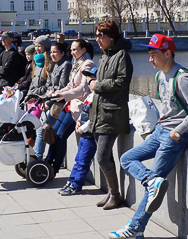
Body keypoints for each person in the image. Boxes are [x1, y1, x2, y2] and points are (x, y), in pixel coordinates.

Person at [108, 34, 188, 239]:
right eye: (149, 55)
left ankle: (136, 228)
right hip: (160, 131)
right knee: (127, 159)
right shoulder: (160, 76)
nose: (150, 59)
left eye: (154, 55)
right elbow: (168, 107)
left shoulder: (183, 77)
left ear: (168, 53)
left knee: (154, 187)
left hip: (175, 136)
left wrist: (178, 130)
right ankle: (151, 181)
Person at [88, 20, 133, 210]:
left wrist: (97, 85)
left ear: (111, 38)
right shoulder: (105, 55)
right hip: (100, 111)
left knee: (101, 156)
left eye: (101, 35)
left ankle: (115, 194)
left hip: (112, 113)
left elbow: (123, 81)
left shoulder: (122, 55)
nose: (97, 39)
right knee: (106, 156)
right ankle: (111, 193)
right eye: (96, 34)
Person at [47, 39, 95, 179]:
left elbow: (83, 89)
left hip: (78, 107)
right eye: (72, 50)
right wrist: (57, 93)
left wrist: (63, 95)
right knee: (54, 132)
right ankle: (48, 161)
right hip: (69, 104)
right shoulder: (76, 64)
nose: (72, 52)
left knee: (61, 135)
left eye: (75, 50)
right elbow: (70, 85)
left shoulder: (88, 64)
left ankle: (55, 168)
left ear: (84, 50)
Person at [32, 42, 72, 159]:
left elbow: (62, 86)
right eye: (51, 52)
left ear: (62, 53)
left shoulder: (66, 65)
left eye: (55, 52)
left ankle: (37, 157)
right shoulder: (54, 65)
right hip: (51, 100)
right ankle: (39, 156)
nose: (52, 54)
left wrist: (48, 103)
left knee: (42, 129)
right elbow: (49, 85)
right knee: (41, 128)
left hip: (58, 104)